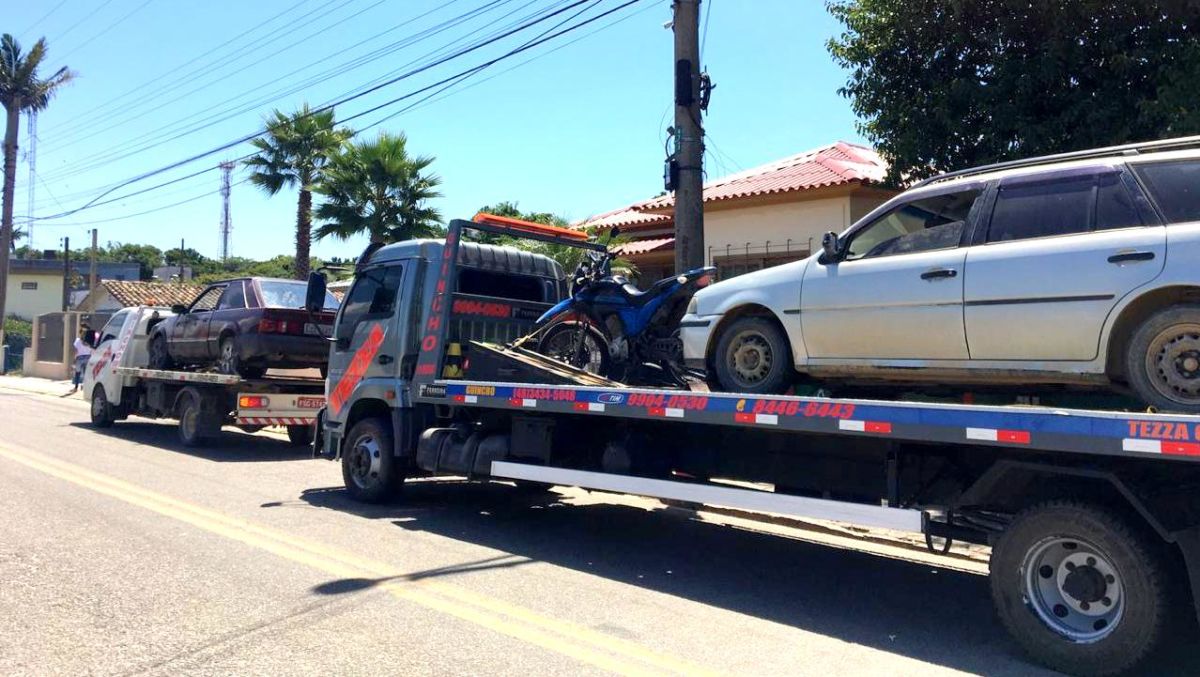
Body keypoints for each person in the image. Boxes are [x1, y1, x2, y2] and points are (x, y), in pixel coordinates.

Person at [69, 325, 94, 394]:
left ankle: (76, 387)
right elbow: (91, 350)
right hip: (88, 357)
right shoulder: (90, 340)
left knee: (77, 373)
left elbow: (76, 351)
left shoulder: (78, 340)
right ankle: (84, 386)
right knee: (86, 373)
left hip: (80, 358)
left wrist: (74, 360)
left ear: (80, 333)